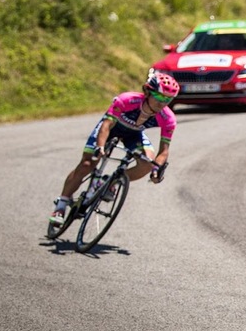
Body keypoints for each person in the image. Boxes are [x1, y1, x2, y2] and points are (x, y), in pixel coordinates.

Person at [49, 71, 179, 225]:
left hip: (134, 134)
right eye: (159, 97)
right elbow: (106, 125)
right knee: (87, 164)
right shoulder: (127, 100)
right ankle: (62, 204)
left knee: (147, 163)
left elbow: (164, 151)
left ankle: (112, 183)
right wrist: (100, 147)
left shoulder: (168, 118)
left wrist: (157, 168)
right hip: (111, 128)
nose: (162, 103)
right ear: (147, 92)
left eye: (168, 99)